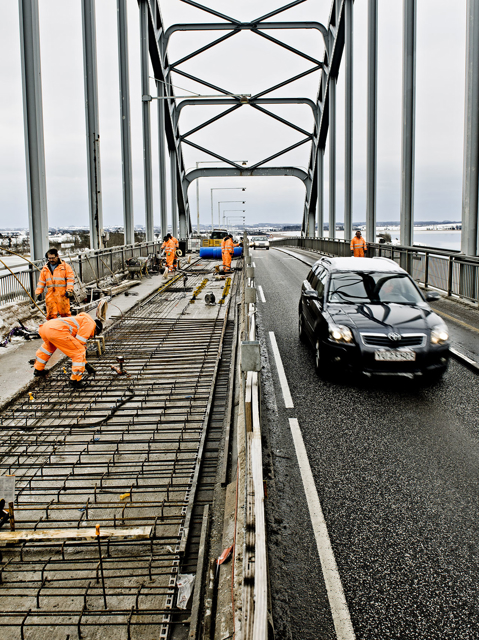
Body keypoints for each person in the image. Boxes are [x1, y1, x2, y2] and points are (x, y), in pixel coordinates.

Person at [33, 313, 102, 388]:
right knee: (79, 352)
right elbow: (79, 344)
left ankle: (38, 369)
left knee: (47, 349)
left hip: (45, 327)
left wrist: (85, 363)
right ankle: (75, 380)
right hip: (57, 330)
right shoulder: (90, 324)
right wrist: (85, 363)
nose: (91, 337)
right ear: (96, 330)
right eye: (94, 334)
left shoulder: (82, 320)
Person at [35, 248, 75, 320]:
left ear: (57, 256)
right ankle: (53, 329)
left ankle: (67, 328)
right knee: (51, 315)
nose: (51, 260)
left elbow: (70, 279)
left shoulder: (65, 267)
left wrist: (69, 290)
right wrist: (38, 292)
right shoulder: (45, 269)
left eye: (53, 258)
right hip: (51, 295)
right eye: (49, 258)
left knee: (65, 314)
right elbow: (41, 282)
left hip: (62, 295)